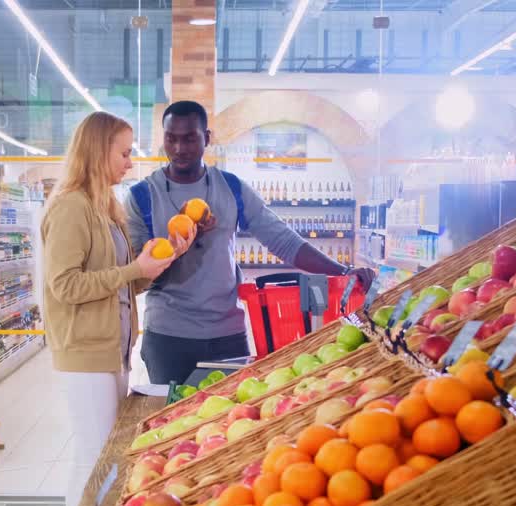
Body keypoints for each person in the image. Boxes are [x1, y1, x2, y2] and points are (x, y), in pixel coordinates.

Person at [127, 101, 376, 385]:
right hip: (168, 337)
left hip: (228, 335)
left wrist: (343, 272)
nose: (179, 148)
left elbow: (283, 240)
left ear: (207, 138)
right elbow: (138, 278)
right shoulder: (142, 197)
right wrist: (175, 249)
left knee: (233, 419)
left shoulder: (232, 188)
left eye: (189, 138)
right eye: (171, 138)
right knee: (173, 423)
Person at [42, 112, 174, 461]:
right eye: (125, 153)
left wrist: (157, 263)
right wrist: (132, 268)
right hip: (85, 354)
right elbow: (65, 285)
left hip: (113, 352)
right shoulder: (72, 207)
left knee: (105, 457)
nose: (130, 164)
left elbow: (121, 282)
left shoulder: (105, 208)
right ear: (99, 152)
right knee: (94, 459)